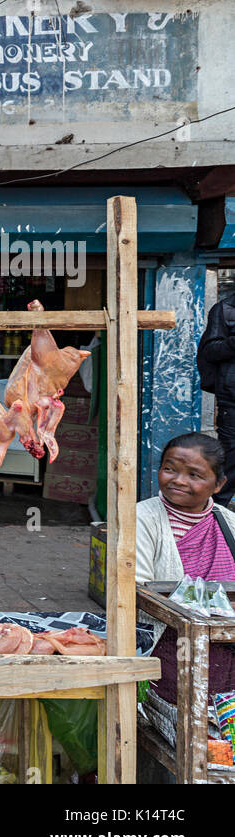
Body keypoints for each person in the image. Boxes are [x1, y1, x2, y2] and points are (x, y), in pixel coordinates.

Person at [135, 432, 235, 708]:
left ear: (219, 484)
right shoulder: (143, 518)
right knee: (177, 721)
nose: (178, 480)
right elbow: (138, 589)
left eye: (194, 474)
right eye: (169, 469)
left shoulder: (228, 523)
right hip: (167, 645)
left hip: (225, 651)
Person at [197, 293, 235, 505]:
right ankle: (212, 514)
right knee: (230, 459)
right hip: (232, 400)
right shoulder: (225, 309)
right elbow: (210, 350)